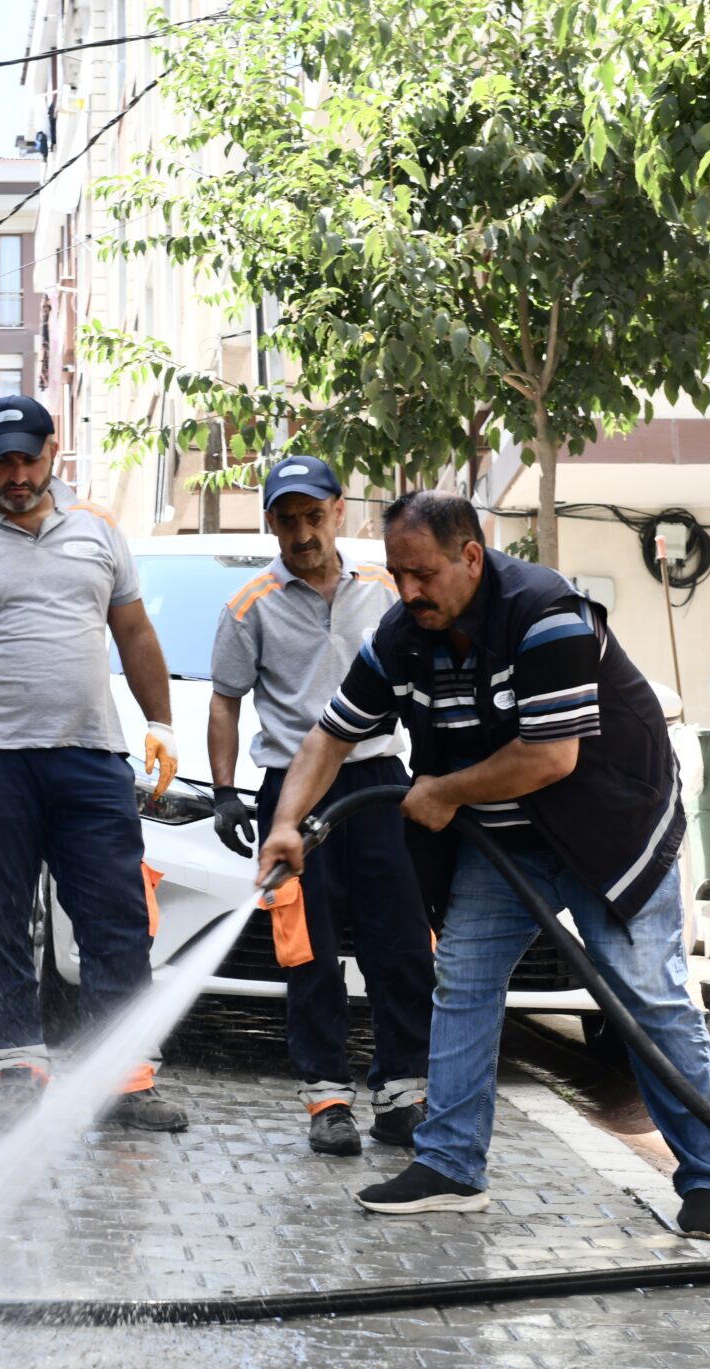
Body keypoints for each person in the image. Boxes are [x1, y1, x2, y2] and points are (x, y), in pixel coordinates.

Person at [256, 490, 710, 1239]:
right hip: (504, 840)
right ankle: (450, 1164)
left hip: (610, 836)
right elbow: (330, 736)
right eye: (397, 574)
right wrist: (288, 823)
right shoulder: (402, 635)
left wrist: (443, 792)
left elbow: (549, 757)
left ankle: (707, 1179)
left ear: (471, 557)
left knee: (647, 997)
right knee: (464, 982)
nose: (407, 591)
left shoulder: (545, 614)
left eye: (422, 574)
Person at [0, 394, 189, 1135]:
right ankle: (17, 1072)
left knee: (118, 915)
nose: (18, 475)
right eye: (4, 462)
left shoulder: (99, 531)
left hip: (91, 754)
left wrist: (160, 724)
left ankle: (125, 1081)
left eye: (30, 458)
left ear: (53, 451)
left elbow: (135, 632)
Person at [206, 454, 431, 1157]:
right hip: (294, 795)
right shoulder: (250, 606)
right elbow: (225, 701)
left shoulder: (386, 592)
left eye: (313, 516)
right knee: (309, 950)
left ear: (338, 511)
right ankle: (327, 1099)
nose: (302, 533)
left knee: (402, 943)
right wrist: (224, 791)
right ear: (270, 523)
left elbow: (423, 685)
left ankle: (402, 1096)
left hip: (378, 783)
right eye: (287, 520)